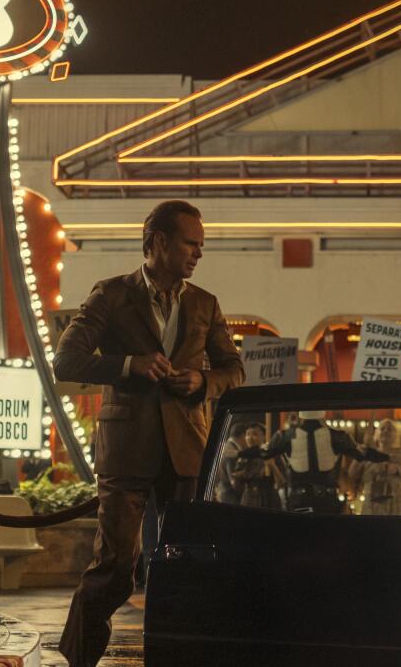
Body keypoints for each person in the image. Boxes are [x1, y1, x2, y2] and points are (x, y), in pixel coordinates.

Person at [53, 199, 245, 667]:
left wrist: (203, 382)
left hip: (187, 449)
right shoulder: (112, 294)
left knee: (185, 564)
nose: (198, 253)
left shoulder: (205, 303)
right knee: (115, 566)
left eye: (201, 246)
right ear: (157, 242)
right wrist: (127, 365)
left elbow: (234, 368)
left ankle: (179, 656)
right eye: (190, 243)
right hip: (127, 449)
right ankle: (78, 657)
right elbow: (66, 360)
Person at [241, 410, 389, 515]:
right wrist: (386, 457)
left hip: (299, 501)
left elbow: (263, 452)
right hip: (328, 501)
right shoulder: (337, 436)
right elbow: (362, 453)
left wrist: (238, 453)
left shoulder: (285, 436)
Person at [350, 420, 401, 515]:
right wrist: (359, 455)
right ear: (376, 434)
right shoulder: (368, 454)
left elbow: (390, 467)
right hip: (372, 502)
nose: (385, 431)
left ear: (396, 435)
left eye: (390, 429)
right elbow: (352, 474)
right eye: (382, 429)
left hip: (394, 502)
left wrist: (370, 453)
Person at [230, 424, 283, 509]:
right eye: (247, 434)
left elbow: (281, 483)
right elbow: (236, 486)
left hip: (269, 499)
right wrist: (239, 476)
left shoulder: (272, 454)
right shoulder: (244, 456)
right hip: (249, 499)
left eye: (255, 434)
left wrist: (272, 465)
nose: (250, 438)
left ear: (264, 436)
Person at [214, 423, 248, 504]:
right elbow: (234, 482)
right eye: (247, 435)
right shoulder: (232, 452)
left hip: (224, 493)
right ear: (243, 435)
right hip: (231, 497)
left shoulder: (226, 446)